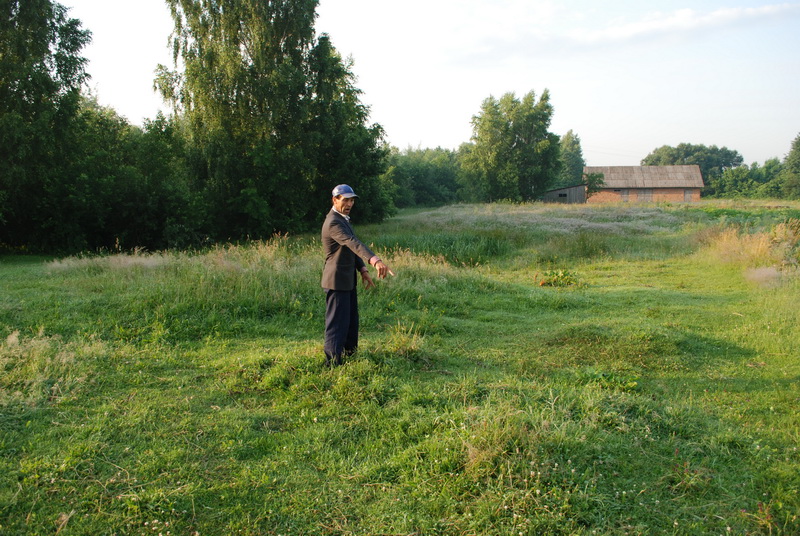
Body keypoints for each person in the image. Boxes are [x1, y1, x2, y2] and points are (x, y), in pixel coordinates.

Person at [321, 184, 393, 367]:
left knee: (351, 321)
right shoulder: (334, 222)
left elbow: (349, 251)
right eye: (345, 200)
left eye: (352, 200)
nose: (350, 203)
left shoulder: (344, 219)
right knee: (337, 324)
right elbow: (353, 243)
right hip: (336, 280)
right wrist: (375, 260)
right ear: (334, 200)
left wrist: (362, 270)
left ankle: (350, 356)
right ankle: (332, 363)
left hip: (347, 280)